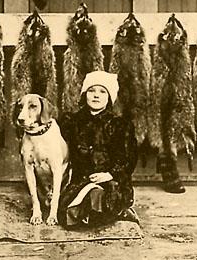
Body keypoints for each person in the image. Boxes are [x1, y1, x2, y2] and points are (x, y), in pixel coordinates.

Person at [58, 71, 139, 227]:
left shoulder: (119, 124)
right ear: (85, 95)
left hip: (112, 179)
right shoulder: (73, 122)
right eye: (91, 91)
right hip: (82, 180)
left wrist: (109, 174)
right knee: (69, 214)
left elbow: (129, 158)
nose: (96, 95)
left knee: (105, 200)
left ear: (109, 98)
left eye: (102, 92)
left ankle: (117, 210)